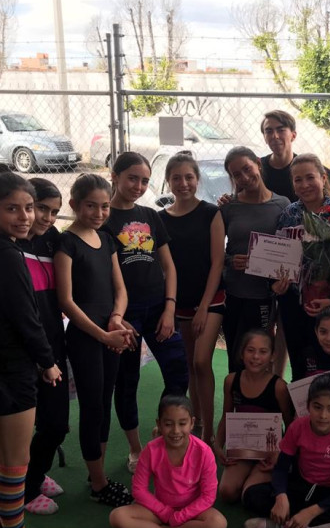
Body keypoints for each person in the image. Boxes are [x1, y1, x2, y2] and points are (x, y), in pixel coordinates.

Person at [0, 168, 63, 528]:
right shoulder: (5, 255)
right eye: (12, 209)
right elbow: (26, 317)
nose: (25, 217)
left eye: (29, 207)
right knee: (15, 461)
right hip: (10, 367)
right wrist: (47, 361)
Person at [54, 173, 137, 507]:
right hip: (87, 337)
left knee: (104, 401)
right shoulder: (67, 243)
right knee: (92, 407)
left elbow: (120, 289)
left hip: (109, 333)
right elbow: (66, 301)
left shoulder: (106, 239)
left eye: (104, 206)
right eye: (91, 206)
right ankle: (99, 485)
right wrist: (103, 334)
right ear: (75, 204)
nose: (99, 213)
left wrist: (116, 319)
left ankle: (96, 472)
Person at [104, 151, 189, 474]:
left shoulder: (150, 216)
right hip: (125, 316)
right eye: (132, 178)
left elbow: (170, 266)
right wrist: (116, 316)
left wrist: (169, 308)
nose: (138, 186)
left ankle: (165, 434)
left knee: (178, 373)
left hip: (158, 309)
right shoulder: (103, 218)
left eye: (144, 181)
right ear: (115, 176)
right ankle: (135, 449)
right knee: (127, 382)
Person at [242, 374, 330, 528]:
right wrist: (281, 496)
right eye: (317, 407)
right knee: (252, 495)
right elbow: (281, 468)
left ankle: (280, 527)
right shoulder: (297, 427)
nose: (323, 415)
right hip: (301, 487)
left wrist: (311, 512)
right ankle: (299, 522)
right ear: (308, 406)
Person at [158, 151, 226, 445]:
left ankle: (208, 431)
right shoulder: (160, 219)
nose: (183, 183)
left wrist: (204, 308)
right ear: (168, 181)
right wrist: (170, 305)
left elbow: (218, 262)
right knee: (188, 365)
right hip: (179, 302)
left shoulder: (211, 213)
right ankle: (194, 425)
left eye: (189, 177)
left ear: (198, 180)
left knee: (200, 362)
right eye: (177, 178)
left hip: (211, 299)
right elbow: (164, 267)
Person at [271, 153, 330, 379]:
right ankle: (300, 401)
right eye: (298, 180)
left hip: (329, 302)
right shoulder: (289, 213)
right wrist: (277, 282)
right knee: (299, 361)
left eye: (310, 177)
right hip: (294, 300)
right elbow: (278, 255)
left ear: (323, 178)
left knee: (327, 363)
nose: (304, 185)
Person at [108, 396, 227, 528]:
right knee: (117, 517)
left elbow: (208, 496)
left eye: (182, 423)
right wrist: (165, 513)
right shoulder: (151, 450)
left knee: (218, 524)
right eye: (168, 424)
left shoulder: (204, 452)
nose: (176, 431)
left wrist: (180, 517)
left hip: (192, 512)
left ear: (192, 423)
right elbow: (139, 489)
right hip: (159, 510)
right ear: (159, 424)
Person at [18, 176, 69, 516]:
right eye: (41, 209)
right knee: (23, 428)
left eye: (54, 212)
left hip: (53, 346)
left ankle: (34, 473)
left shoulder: (53, 240)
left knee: (56, 423)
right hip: (23, 352)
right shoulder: (7, 247)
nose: (47, 218)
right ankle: (24, 489)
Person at [220, 147, 291, 371]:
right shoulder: (228, 206)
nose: (244, 177)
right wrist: (230, 260)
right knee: (235, 357)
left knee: (259, 359)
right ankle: (234, 394)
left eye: (247, 169)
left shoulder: (283, 205)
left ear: (258, 164)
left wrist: (281, 280)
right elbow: (214, 252)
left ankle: (263, 395)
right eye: (236, 174)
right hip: (233, 293)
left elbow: (289, 252)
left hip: (263, 296)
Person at [215, 329, 294, 504]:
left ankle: (273, 476)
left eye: (263, 351)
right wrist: (218, 445)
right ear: (242, 353)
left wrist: (280, 453)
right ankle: (250, 474)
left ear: (272, 356)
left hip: (269, 453)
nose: (256, 357)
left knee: (250, 494)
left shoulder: (279, 387)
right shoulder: (231, 381)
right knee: (227, 492)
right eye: (250, 350)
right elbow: (226, 417)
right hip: (243, 449)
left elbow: (290, 426)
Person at [258, 109, 330, 201]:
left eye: (281, 130)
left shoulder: (306, 166)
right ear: (265, 137)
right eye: (269, 131)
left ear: (293, 135)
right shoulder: (257, 168)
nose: (275, 136)